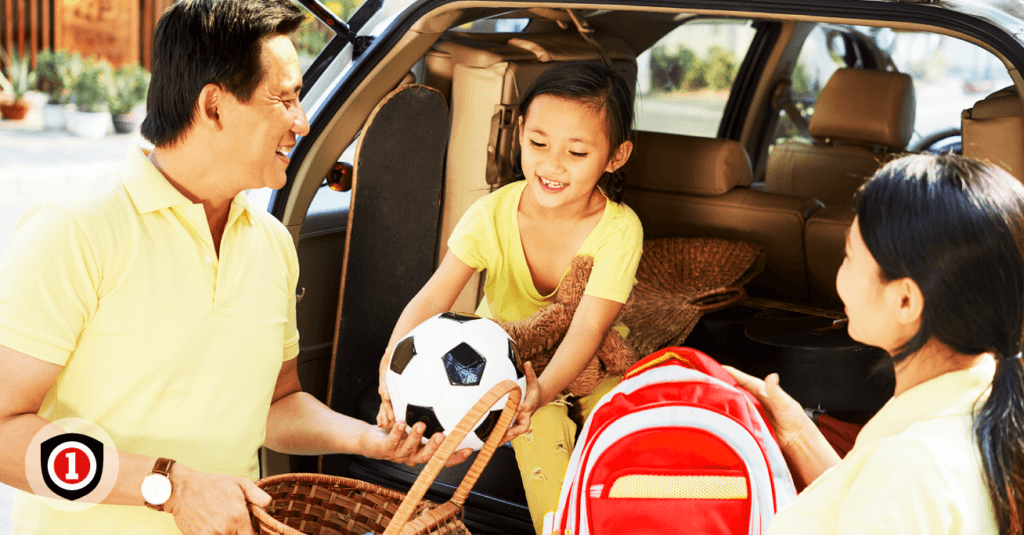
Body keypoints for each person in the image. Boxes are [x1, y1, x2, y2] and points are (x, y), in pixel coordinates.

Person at [0, 1, 465, 534]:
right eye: (285, 99)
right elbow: (3, 431)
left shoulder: (271, 244)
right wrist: (167, 487)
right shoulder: (75, 230)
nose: (303, 121)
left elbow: (276, 403)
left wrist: (367, 439)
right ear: (215, 106)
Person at [375, 60, 643, 535]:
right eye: (538, 143)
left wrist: (544, 389)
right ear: (519, 132)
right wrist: (390, 367)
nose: (551, 164)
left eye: (576, 153)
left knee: (626, 425)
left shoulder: (619, 230)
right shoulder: (490, 214)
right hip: (501, 366)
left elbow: (587, 330)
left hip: (589, 360)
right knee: (540, 435)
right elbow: (432, 299)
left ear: (615, 157)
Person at [728, 153, 1024, 535]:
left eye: (849, 256)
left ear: (905, 300)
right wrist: (797, 433)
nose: (840, 275)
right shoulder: (979, 412)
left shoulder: (908, 467)